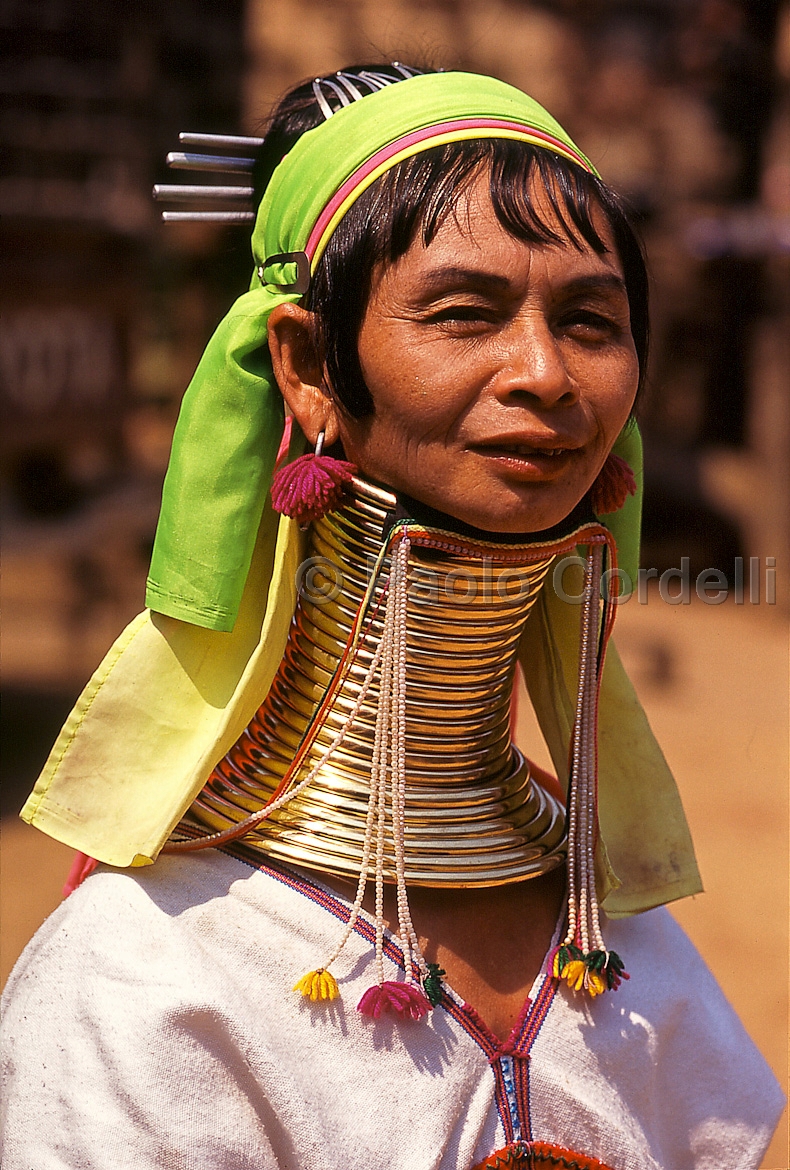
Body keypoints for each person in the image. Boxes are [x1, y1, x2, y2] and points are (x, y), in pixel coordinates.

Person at [2, 65, 783, 1170]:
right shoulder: (154, 979)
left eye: (590, 321)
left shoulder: (626, 955)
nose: (544, 373)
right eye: (464, 313)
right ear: (312, 366)